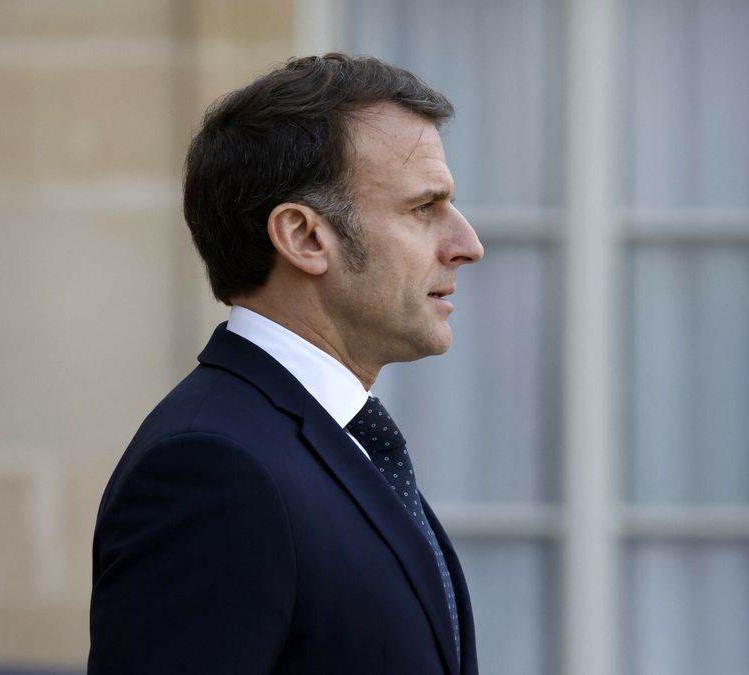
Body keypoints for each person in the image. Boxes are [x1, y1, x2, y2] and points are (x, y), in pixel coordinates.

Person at [88, 54, 484, 675]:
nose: (467, 245)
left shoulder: (327, 443)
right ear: (303, 237)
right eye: (422, 208)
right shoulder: (214, 467)